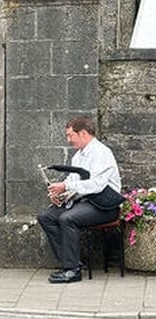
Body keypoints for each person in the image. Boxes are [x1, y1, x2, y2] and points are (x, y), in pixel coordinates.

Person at [37, 115, 122, 284]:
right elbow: (73, 182)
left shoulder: (102, 153)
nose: (68, 140)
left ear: (83, 133)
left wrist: (66, 187)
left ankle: (72, 271)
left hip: (105, 206)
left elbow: (96, 185)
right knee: (45, 216)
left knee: (68, 218)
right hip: (85, 203)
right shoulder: (78, 156)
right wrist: (61, 196)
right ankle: (72, 262)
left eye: (70, 135)